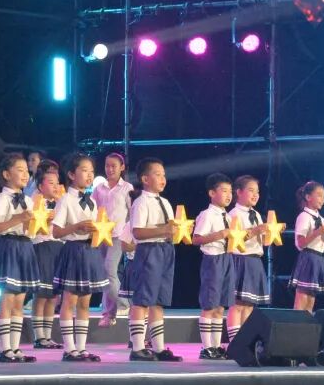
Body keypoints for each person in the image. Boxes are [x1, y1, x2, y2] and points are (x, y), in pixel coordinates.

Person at [51, 153, 108, 362]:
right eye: (84, 170)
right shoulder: (66, 199)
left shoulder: (91, 201)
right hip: (74, 250)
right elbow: (56, 231)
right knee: (70, 300)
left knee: (85, 302)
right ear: (71, 174)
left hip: (90, 251)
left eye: (92, 171)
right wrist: (76, 227)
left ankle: (81, 348)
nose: (89, 175)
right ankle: (69, 349)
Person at [127, 157, 182, 362]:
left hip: (165, 250)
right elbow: (137, 232)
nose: (162, 179)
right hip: (148, 251)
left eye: (163, 175)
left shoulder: (165, 202)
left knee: (158, 301)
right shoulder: (141, 202)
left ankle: (158, 348)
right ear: (145, 179)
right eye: (157, 174)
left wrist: (177, 232)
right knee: (142, 299)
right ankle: (138, 348)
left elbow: (169, 229)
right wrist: (164, 230)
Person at [0, 154, 41, 363]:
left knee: (20, 300)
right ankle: (4, 349)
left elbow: (30, 230)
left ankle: (15, 348)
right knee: (8, 298)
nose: (25, 174)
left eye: (26, 170)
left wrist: (40, 222)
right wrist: (18, 218)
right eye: (20, 170)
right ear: (6, 174)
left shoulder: (27, 200)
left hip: (25, 246)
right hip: (9, 246)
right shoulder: (2, 199)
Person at [193, 173, 236, 360]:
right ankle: (206, 347)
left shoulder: (228, 216)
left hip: (227, 258)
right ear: (212, 193)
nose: (228, 195)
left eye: (230, 191)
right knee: (210, 304)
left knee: (220, 306)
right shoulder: (207, 214)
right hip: (213, 259)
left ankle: (217, 346)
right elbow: (196, 239)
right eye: (224, 191)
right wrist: (220, 234)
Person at [225, 176, 270, 346]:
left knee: (249, 305)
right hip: (240, 259)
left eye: (257, 191)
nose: (255, 195)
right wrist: (255, 230)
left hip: (254, 260)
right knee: (237, 304)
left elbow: (261, 241)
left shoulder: (256, 214)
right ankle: (234, 342)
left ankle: (244, 341)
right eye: (251, 190)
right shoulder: (234, 214)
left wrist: (270, 233)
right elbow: (234, 240)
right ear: (239, 192)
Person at [93, 152, 134, 327]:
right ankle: (109, 312)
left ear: (122, 167)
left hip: (118, 235)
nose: (110, 169)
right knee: (105, 274)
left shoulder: (127, 188)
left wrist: (130, 236)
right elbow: (93, 209)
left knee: (109, 270)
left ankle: (123, 304)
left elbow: (132, 212)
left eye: (113, 166)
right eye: (107, 166)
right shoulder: (99, 188)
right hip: (100, 235)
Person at [29, 159, 64, 349]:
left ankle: (48, 335)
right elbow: (32, 229)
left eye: (57, 183)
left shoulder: (61, 202)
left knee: (53, 295)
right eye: (50, 183)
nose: (55, 186)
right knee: (41, 294)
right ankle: (39, 335)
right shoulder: (35, 201)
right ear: (41, 186)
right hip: (42, 247)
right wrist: (46, 219)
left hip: (58, 247)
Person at [289, 181, 324, 313]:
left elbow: (321, 246)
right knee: (302, 299)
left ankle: (307, 325)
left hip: (318, 259)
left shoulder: (321, 219)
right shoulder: (304, 216)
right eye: (319, 195)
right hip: (307, 258)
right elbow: (300, 243)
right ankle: (296, 324)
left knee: (310, 301)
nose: (322, 199)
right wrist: (318, 232)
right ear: (308, 197)